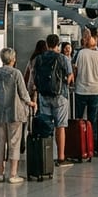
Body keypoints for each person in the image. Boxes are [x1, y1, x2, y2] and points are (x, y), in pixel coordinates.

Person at [30, 35, 74, 167]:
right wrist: (67, 81)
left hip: (43, 96)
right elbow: (70, 75)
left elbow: (33, 76)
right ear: (58, 44)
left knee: (46, 126)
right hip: (60, 95)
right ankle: (61, 157)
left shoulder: (39, 58)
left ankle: (46, 155)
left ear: (47, 44)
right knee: (60, 126)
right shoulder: (62, 58)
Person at [0, 48, 33, 184]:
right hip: (14, 112)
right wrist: (30, 102)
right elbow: (23, 92)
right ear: (13, 59)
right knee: (14, 142)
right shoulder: (16, 73)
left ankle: (0, 173)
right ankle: (13, 174)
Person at [72, 33, 98, 122]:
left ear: (85, 43)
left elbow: (75, 70)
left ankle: (79, 135)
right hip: (96, 90)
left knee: (79, 117)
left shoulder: (81, 53)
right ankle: (92, 135)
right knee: (93, 119)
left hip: (81, 90)